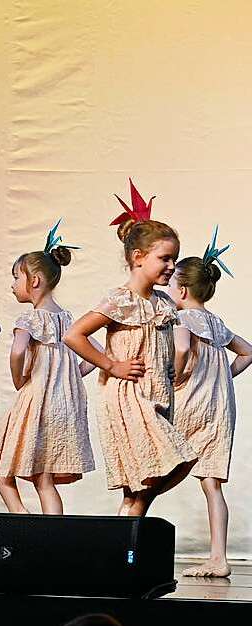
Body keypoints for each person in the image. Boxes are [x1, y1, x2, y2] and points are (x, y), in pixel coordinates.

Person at [65, 180, 195, 516]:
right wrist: (112, 365)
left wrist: (171, 373)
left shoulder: (164, 303)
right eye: (164, 258)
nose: (171, 266)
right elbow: (74, 335)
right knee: (173, 463)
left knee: (138, 486)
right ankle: (126, 540)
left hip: (158, 394)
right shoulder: (121, 300)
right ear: (138, 257)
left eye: (174, 259)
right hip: (128, 396)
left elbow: (165, 349)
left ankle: (125, 544)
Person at [0, 220, 96, 515]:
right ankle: (53, 536)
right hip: (64, 404)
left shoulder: (30, 319)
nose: (12, 285)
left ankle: (22, 519)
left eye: (15, 277)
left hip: (35, 400)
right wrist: (73, 374)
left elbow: (17, 352)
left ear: (33, 280)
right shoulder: (67, 319)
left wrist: (19, 378)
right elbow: (94, 353)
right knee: (44, 479)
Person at [166, 227, 252, 577]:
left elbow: (183, 348)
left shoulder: (183, 317)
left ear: (182, 290)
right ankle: (220, 557)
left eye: (170, 284)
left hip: (193, 405)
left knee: (158, 467)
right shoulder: (216, 322)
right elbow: (247, 352)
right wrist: (223, 378)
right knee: (211, 482)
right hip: (221, 409)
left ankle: (129, 533)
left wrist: (176, 376)